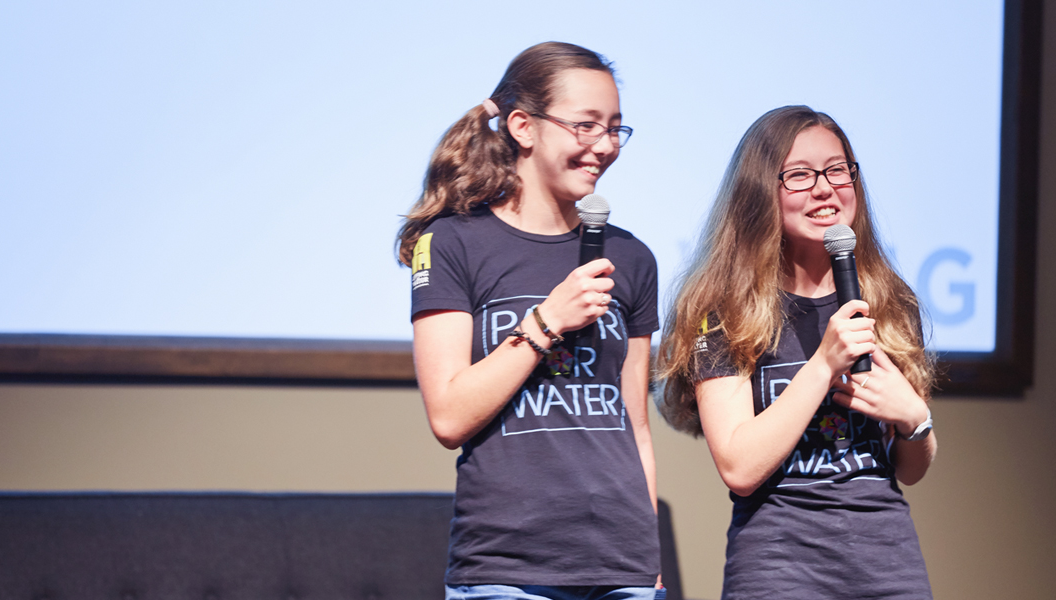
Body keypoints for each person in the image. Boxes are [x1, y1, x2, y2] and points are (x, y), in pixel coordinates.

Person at [396, 42, 663, 600]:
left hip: (621, 568)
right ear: (523, 127)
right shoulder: (452, 243)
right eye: (586, 126)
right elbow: (448, 417)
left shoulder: (632, 258)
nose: (605, 146)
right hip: (507, 569)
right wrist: (546, 321)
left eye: (616, 129)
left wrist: (650, 559)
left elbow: (634, 423)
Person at [656, 106, 938, 599]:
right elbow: (740, 469)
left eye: (837, 170)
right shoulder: (722, 310)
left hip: (888, 567)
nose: (825, 188)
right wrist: (824, 364)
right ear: (761, 191)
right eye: (800, 175)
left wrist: (915, 418)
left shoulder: (890, 300)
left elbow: (908, 470)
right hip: (779, 569)